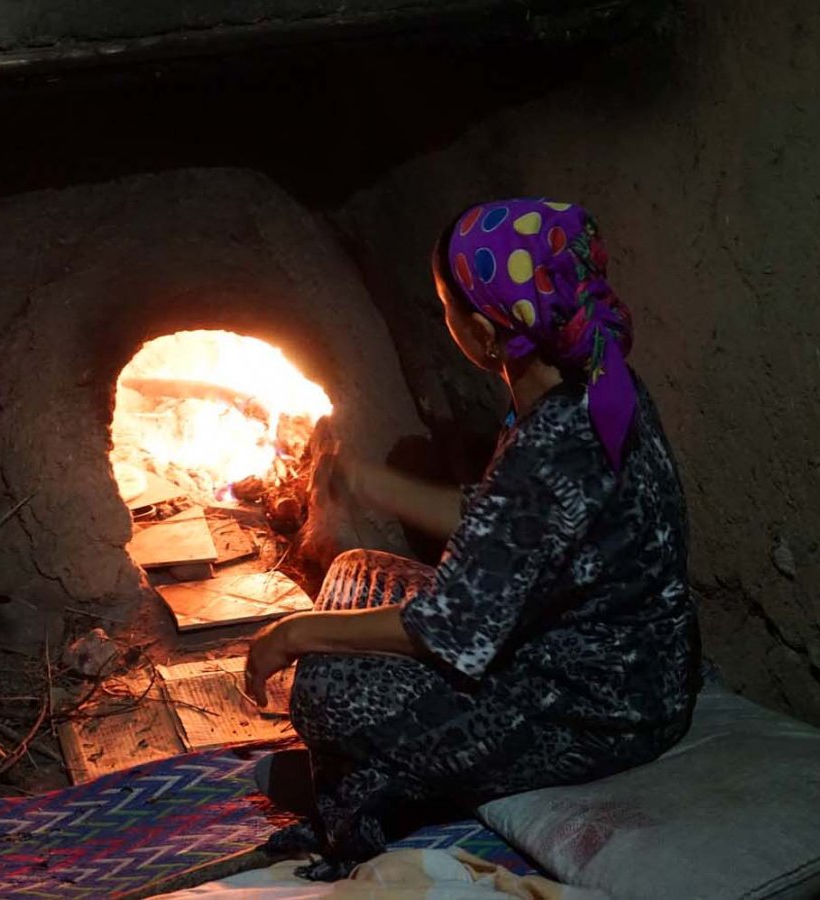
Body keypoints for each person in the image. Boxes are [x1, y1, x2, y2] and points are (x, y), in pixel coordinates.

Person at [244, 198, 701, 880]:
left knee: (324, 686)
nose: (444, 322)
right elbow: (512, 526)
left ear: (486, 334)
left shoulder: (552, 440)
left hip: (599, 708)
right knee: (356, 568)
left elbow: (450, 631)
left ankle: (362, 830)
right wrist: (373, 485)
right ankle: (374, 784)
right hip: (612, 657)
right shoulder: (597, 379)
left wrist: (291, 634)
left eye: (446, 309)